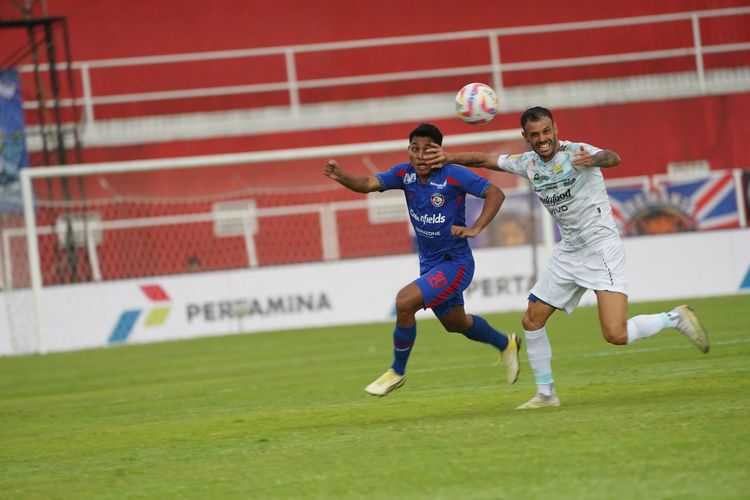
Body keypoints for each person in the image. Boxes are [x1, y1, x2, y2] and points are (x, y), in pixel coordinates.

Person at [425, 106, 709, 409]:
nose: (542, 138)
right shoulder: (527, 163)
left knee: (615, 334)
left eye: (546, 131)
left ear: (555, 128)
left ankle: (674, 318)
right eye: (534, 134)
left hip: (601, 249)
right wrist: (446, 158)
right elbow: (483, 159)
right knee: (531, 320)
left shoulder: (578, 152)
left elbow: (613, 157)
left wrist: (595, 159)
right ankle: (546, 394)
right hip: (569, 251)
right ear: (526, 137)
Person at [323, 122, 521, 397]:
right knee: (456, 324)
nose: (420, 155)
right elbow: (368, 183)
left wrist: (476, 228)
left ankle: (397, 371)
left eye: (428, 150)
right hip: (430, 265)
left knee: (404, 302)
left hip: (456, 263)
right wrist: (341, 176)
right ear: (408, 152)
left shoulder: (453, 175)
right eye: (414, 149)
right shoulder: (404, 175)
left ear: (439, 151)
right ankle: (506, 344)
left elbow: (495, 193)